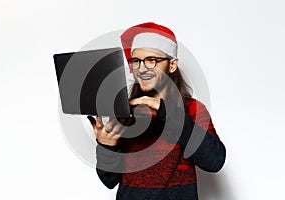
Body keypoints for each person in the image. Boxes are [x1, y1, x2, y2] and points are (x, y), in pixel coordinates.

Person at [87, 22, 226, 200]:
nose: (142, 68)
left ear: (172, 65)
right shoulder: (126, 112)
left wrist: (167, 111)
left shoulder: (192, 109)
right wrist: (106, 146)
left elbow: (215, 161)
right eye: (136, 61)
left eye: (152, 60)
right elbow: (110, 179)